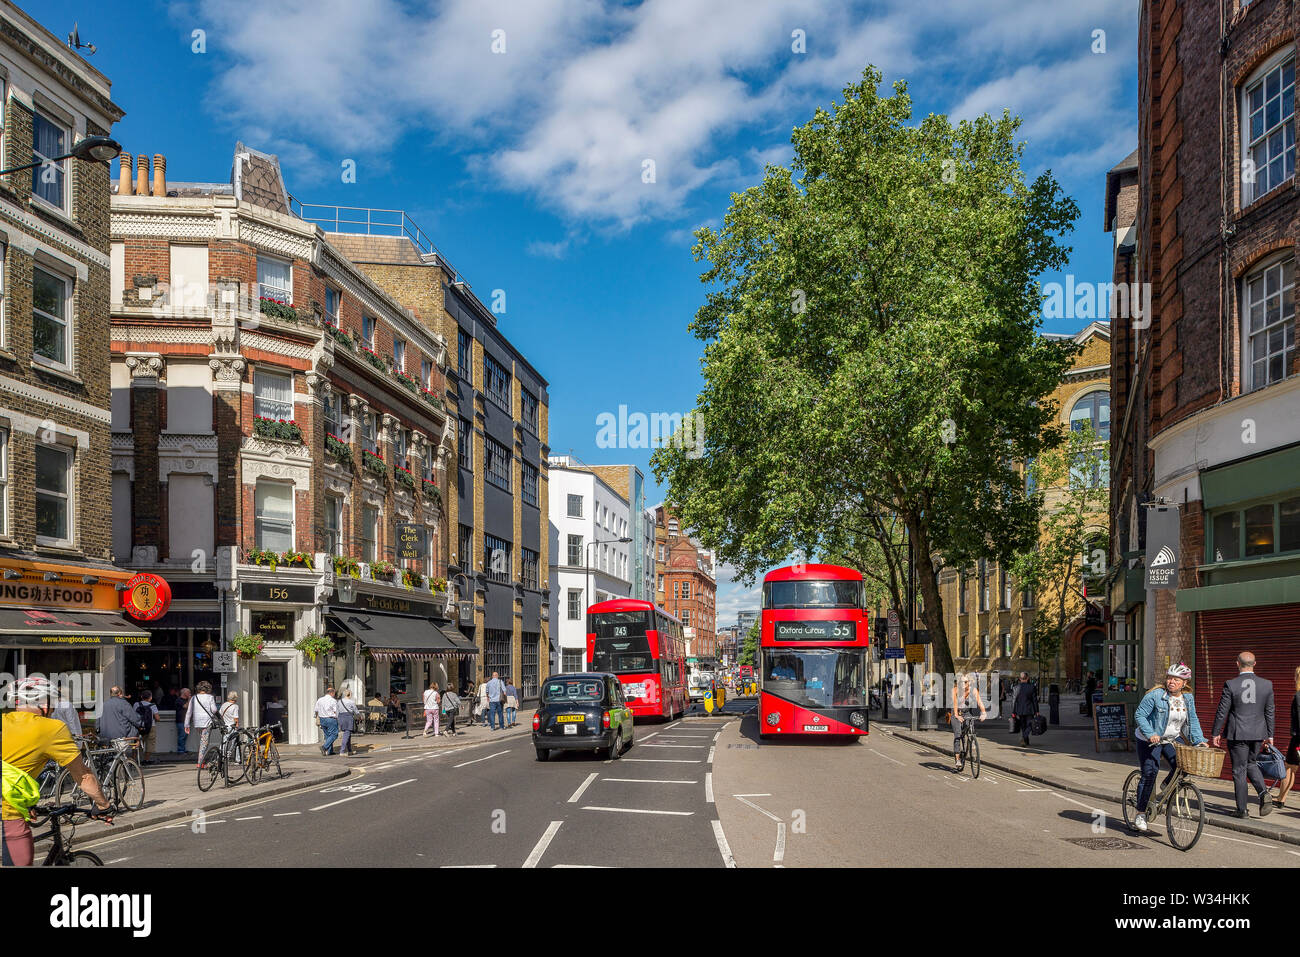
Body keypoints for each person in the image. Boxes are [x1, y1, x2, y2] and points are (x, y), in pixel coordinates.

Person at [2, 677, 113, 867]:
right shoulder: (52, 728)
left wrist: (27, 801)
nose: (53, 709)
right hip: (7, 814)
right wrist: (103, 805)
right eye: (52, 703)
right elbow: (83, 775)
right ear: (43, 703)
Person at [1130, 663, 1208, 833]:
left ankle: (1167, 784)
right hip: (1149, 739)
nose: (1172, 681)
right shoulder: (1156, 695)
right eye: (1170, 678)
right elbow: (1140, 715)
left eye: (1176, 679)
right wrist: (1150, 733)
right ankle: (1140, 813)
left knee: (1183, 765)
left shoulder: (1188, 698)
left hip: (1171, 738)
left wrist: (1199, 740)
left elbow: (1192, 721)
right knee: (1150, 773)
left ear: (1185, 683)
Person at [1211, 651, 1276, 818]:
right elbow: (1270, 711)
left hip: (1237, 732)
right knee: (1251, 764)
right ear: (1255, 664)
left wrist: (1216, 732)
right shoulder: (1266, 684)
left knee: (1239, 770)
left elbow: (1222, 711)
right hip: (1257, 732)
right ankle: (1263, 793)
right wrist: (1270, 735)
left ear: (1237, 664)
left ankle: (1242, 809)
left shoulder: (1231, 684)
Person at [950, 672, 988, 771]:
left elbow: (979, 702)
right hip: (956, 712)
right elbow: (954, 705)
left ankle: (972, 741)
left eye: (965, 682)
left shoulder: (973, 690)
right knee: (958, 734)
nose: (963, 684)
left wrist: (983, 712)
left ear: (969, 683)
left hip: (966, 712)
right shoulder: (955, 690)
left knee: (970, 724)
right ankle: (958, 759)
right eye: (961, 682)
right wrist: (957, 716)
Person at [1274, 665, 1299, 809]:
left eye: (1295, 676)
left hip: (1297, 740)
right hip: (1297, 739)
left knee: (1288, 768)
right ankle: (1282, 797)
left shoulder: (1298, 696)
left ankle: (1281, 799)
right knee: (1292, 768)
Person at [185, 681, 219, 766]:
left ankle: (201, 760)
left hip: (197, 723)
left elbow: (189, 712)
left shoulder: (194, 698)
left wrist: (186, 724)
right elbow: (214, 710)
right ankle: (200, 762)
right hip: (206, 722)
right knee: (204, 742)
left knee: (202, 740)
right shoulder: (210, 697)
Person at [1011, 672, 1039, 747]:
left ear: (1020, 679)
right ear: (1027, 678)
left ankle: (1026, 741)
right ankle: (1024, 738)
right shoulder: (1032, 687)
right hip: (1029, 710)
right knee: (1029, 725)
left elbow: (1013, 701)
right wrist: (1037, 711)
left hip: (1020, 710)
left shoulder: (1015, 688)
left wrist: (1013, 712)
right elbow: (1034, 700)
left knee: (1023, 726)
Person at [134, 690, 159, 763]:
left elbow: (133, 715)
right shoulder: (152, 705)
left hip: (139, 727)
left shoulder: (136, 704)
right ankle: (146, 760)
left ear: (141, 697)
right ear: (150, 698)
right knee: (150, 744)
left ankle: (134, 760)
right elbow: (157, 718)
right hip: (151, 726)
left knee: (137, 743)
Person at [315, 687, 340, 756]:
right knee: (334, 734)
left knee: (328, 735)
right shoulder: (333, 700)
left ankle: (330, 751)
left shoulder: (320, 700)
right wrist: (337, 718)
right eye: (334, 693)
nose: (334, 695)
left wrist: (317, 718)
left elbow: (316, 710)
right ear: (332, 693)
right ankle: (324, 747)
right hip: (330, 719)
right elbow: (336, 711)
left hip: (322, 719)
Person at [337, 688, 358, 756]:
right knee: (347, 733)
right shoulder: (351, 702)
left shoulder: (339, 701)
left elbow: (337, 711)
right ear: (349, 695)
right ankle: (342, 751)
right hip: (348, 717)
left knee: (348, 734)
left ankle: (349, 750)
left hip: (341, 717)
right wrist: (360, 716)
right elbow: (356, 711)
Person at [175, 687, 192, 754]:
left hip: (186, 721)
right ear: (184, 693)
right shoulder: (179, 700)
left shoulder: (187, 700)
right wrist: (189, 700)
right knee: (182, 736)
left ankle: (183, 749)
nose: (190, 694)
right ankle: (180, 750)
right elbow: (185, 706)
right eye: (188, 692)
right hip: (181, 721)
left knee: (185, 736)